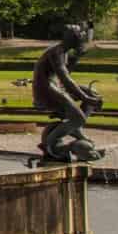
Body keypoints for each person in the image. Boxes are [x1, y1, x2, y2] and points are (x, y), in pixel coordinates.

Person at [33, 24, 104, 162]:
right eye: (79, 37)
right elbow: (65, 79)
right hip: (46, 91)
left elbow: (66, 74)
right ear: (72, 38)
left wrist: (76, 57)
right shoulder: (57, 52)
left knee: (92, 94)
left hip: (55, 87)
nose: (81, 40)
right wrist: (85, 98)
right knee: (79, 117)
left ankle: (76, 128)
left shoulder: (63, 52)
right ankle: (50, 145)